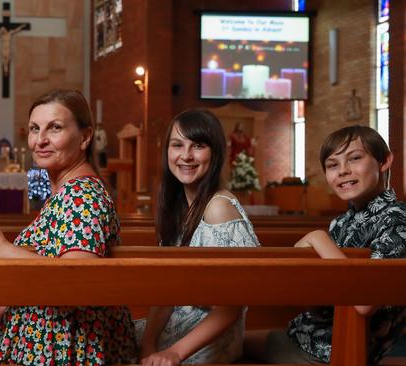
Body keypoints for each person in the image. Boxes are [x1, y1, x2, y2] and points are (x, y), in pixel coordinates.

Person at [0, 89, 137, 365]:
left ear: (85, 137)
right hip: (52, 339)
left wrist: (0, 249)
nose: (40, 140)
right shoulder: (67, 191)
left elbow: (77, 283)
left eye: (55, 128)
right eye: (35, 128)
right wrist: (4, 308)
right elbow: (49, 261)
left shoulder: (82, 197)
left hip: (68, 348)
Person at [243, 125, 406, 365]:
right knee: (230, 341)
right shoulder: (342, 221)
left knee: (227, 346)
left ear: (384, 161)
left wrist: (318, 238)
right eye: (333, 165)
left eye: (355, 158)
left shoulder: (397, 219)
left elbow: (364, 303)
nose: (343, 171)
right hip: (308, 336)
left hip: (332, 350)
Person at [136, 109, 259, 365]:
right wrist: (148, 344)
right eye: (177, 145)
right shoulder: (179, 208)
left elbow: (232, 306)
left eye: (198, 146)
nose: (186, 155)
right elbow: (167, 291)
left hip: (206, 345)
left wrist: (174, 353)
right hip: (176, 332)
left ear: (214, 153)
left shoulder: (219, 208)